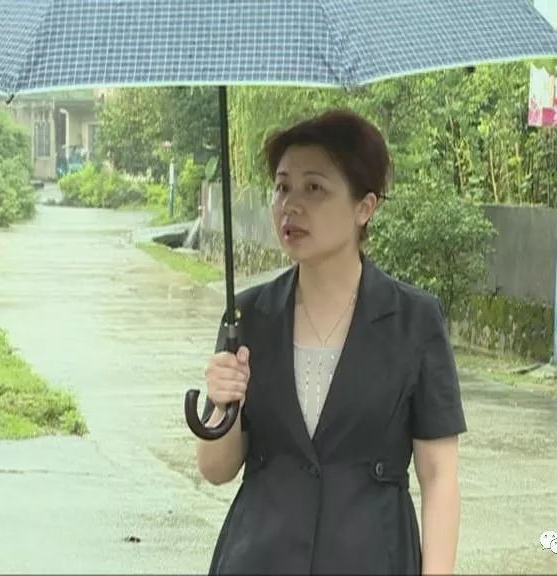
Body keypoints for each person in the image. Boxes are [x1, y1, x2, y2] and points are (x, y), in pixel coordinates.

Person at [196, 109, 468, 575]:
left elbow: (439, 475)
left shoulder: (413, 321)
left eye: (314, 188)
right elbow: (217, 470)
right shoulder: (248, 317)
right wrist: (222, 403)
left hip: (372, 557)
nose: (291, 206)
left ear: (365, 207)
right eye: (282, 187)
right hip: (260, 558)